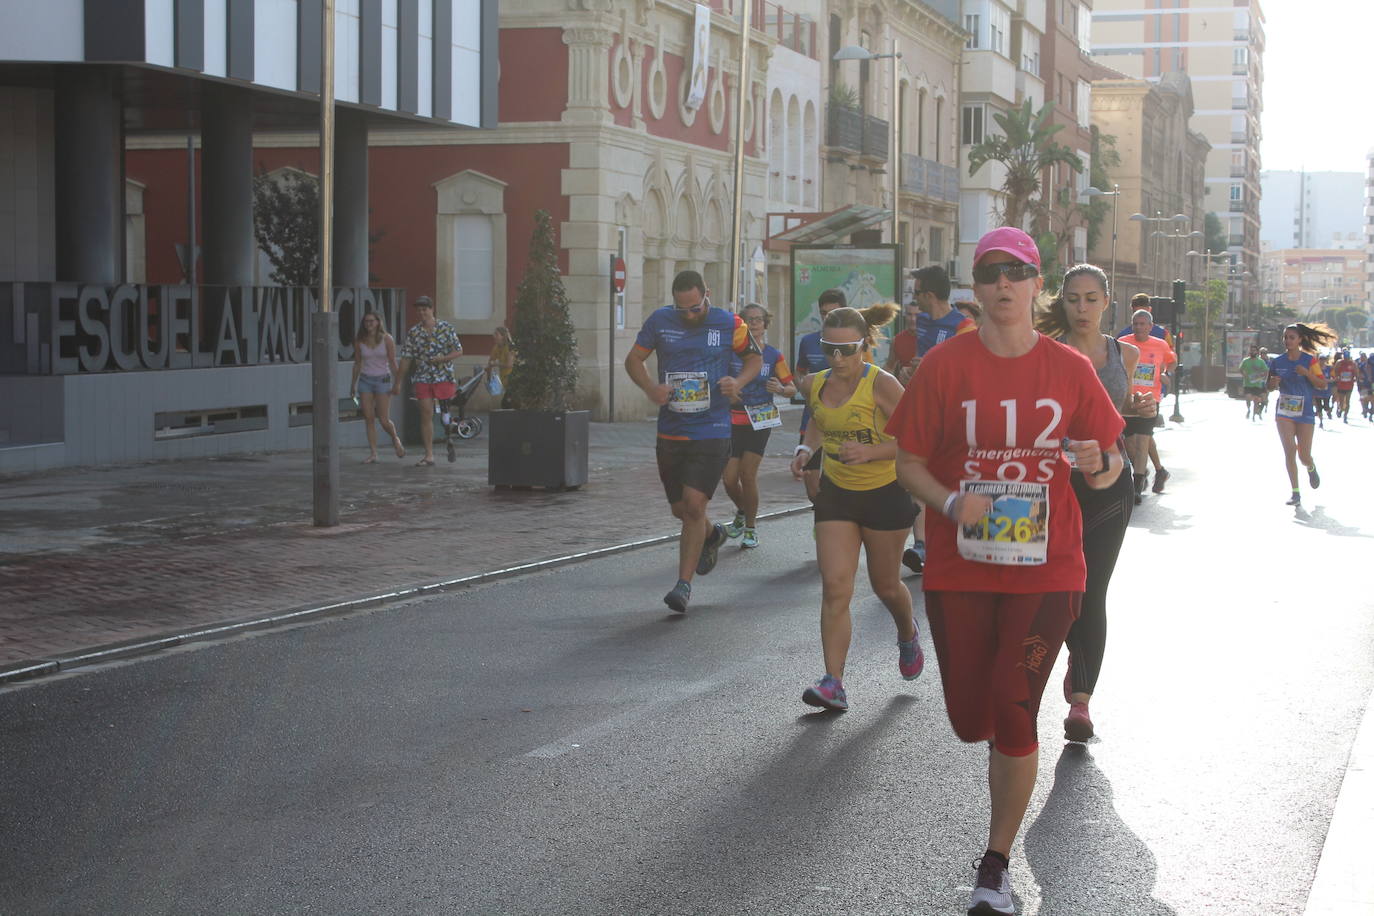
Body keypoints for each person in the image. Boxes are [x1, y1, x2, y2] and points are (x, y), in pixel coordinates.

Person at [888, 227, 1124, 915]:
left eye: (1016, 272)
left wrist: (1097, 464)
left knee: (1013, 706)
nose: (1003, 285)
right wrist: (952, 501)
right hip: (961, 567)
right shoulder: (944, 366)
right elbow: (908, 461)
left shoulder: (1071, 370)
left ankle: (994, 868)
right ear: (976, 283)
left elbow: (1109, 464)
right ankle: (1001, 739)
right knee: (970, 717)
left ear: (1034, 283)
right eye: (990, 272)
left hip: (1050, 568)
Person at [790, 303, 921, 711]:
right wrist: (804, 448)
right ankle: (834, 682)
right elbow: (818, 420)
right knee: (835, 587)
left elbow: (918, 439)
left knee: (885, 586)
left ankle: (907, 631)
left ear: (865, 346)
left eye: (848, 350)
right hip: (837, 495)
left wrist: (872, 451)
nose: (839, 359)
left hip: (885, 494)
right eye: (830, 349)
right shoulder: (817, 383)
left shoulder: (881, 384)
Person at [1033, 264, 1138, 744]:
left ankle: (1081, 702)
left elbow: (1116, 418)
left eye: (1091, 299)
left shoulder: (1126, 355)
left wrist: (1137, 413)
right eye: (1073, 298)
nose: (1082, 308)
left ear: (1106, 300)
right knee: (1049, 591)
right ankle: (1030, 685)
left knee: (1092, 590)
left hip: (1106, 488)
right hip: (1047, 487)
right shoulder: (1041, 353)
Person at [624, 270, 761, 612]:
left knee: (694, 506)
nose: (689, 315)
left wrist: (738, 381)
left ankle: (682, 587)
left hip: (712, 429)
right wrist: (650, 388)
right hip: (670, 430)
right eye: (682, 308)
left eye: (695, 307)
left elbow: (754, 359)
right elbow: (633, 360)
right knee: (681, 510)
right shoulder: (660, 321)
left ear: (707, 296)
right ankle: (712, 534)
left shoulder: (730, 323)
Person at [885, 265, 975, 576]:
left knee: (946, 477)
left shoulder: (963, 326)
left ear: (929, 295)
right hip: (924, 412)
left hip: (954, 417)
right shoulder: (921, 322)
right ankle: (922, 544)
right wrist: (910, 372)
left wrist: (936, 368)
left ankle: (957, 539)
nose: (914, 299)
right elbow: (913, 368)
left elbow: (970, 373)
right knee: (916, 476)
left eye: (916, 292)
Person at [722, 304, 795, 548]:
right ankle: (742, 512)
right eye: (748, 320)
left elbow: (791, 386)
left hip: (760, 419)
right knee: (729, 478)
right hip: (732, 418)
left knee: (747, 474)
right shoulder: (730, 351)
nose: (754, 324)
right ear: (742, 324)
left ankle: (751, 528)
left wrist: (781, 389)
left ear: (765, 324)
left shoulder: (774, 355)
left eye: (758, 320)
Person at [1268, 322, 1337, 506]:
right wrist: (1273, 383)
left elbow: (1322, 384)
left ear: (1299, 340)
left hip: (1305, 412)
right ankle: (1295, 492)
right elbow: (1268, 386)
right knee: (1289, 451)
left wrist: (1307, 373)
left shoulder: (1309, 361)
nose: (1287, 341)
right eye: (1285, 337)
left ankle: (1311, 467)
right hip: (1284, 412)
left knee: (1303, 456)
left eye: (1291, 337)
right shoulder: (1277, 362)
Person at [393, 296, 463, 466]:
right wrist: (398, 382)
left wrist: (442, 359)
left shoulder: (446, 328)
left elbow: (459, 351)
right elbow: (406, 359)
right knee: (426, 414)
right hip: (423, 377)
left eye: (425, 309)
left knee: (445, 415)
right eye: (419, 310)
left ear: (432, 309)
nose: (422, 313)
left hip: (444, 376)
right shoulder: (414, 332)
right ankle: (429, 454)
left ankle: (448, 436)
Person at [794, 289, 848, 503]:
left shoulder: (854, 344)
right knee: (812, 487)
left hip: (845, 423)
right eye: (824, 313)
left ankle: (834, 526)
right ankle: (824, 519)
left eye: (833, 313)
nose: (828, 317)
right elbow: (799, 371)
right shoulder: (808, 341)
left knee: (842, 484)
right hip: (813, 420)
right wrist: (804, 388)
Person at [1118, 309, 1175, 502]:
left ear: (1150, 327)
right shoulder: (1122, 342)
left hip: (1151, 399)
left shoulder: (1160, 344)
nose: (1139, 327)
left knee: (1143, 442)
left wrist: (1165, 374)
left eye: (1143, 324)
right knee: (1128, 444)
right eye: (1136, 324)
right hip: (1128, 399)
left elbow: (1171, 362)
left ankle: (1137, 485)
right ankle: (1144, 473)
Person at [350, 312, 406, 463]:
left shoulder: (387, 339)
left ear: (378, 322)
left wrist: (397, 382)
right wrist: (353, 385)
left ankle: (395, 439)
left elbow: (393, 362)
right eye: (366, 321)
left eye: (372, 321)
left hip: (383, 379)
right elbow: (357, 363)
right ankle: (373, 453)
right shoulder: (360, 340)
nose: (369, 324)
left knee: (383, 419)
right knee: (368, 418)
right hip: (365, 380)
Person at [1239, 344, 1270, 422]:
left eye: (1254, 350)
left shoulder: (1261, 361)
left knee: (1257, 400)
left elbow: (1266, 370)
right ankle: (1249, 409)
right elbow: (1240, 369)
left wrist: (1264, 379)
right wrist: (1244, 375)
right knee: (1248, 398)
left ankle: (1255, 413)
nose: (1252, 352)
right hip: (1247, 384)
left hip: (1257, 385)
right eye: (1251, 350)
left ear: (1256, 352)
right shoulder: (1245, 361)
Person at [488, 325, 516, 395]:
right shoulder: (496, 347)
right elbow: (490, 363)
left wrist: (496, 364)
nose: (494, 336)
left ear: (503, 336)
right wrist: (488, 378)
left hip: (512, 379)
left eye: (496, 334)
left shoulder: (510, 347)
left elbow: (510, 365)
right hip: (502, 380)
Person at [1332, 349, 1358, 423]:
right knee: (1341, 400)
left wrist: (1356, 378)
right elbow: (1335, 371)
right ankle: (1340, 409)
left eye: (1347, 358)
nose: (1346, 360)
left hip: (1349, 385)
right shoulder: (1339, 363)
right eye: (1345, 358)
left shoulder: (1353, 363)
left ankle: (1345, 416)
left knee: (1347, 401)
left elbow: (1356, 373)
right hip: (1341, 384)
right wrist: (1337, 377)